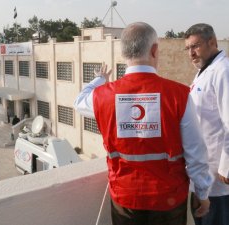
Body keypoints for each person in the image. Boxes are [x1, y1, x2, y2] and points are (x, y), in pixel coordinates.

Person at [74, 22, 212, 225]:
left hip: (124, 198)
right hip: (169, 200)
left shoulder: (102, 96)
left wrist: (99, 80)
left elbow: (79, 102)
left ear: (124, 53)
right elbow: (196, 152)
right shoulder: (179, 95)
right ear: (154, 50)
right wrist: (203, 193)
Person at [184, 23, 229, 225]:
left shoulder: (223, 71)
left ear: (212, 42)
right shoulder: (205, 70)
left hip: (219, 178)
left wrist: (226, 168)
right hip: (203, 175)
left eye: (195, 46)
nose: (191, 53)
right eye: (188, 49)